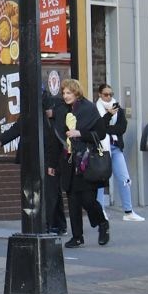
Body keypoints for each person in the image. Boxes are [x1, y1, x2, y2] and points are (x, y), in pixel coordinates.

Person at [0, 88, 67, 235]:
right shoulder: (31, 112)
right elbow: (18, 128)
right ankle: (57, 224)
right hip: (39, 155)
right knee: (51, 191)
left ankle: (49, 224)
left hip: (50, 155)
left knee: (50, 191)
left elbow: (59, 130)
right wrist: (1, 140)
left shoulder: (54, 107)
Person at [57, 78, 111, 247]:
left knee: (88, 199)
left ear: (76, 92)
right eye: (64, 93)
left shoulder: (88, 108)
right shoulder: (62, 110)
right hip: (69, 159)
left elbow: (101, 133)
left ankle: (102, 223)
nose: (66, 96)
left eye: (69, 92)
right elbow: (58, 133)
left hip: (86, 159)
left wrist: (80, 132)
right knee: (73, 200)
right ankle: (77, 236)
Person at [95, 83, 144, 222]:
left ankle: (128, 211)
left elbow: (122, 128)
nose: (109, 97)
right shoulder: (96, 109)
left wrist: (108, 128)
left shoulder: (118, 109)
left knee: (124, 178)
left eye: (111, 94)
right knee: (100, 180)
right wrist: (108, 117)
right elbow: (98, 127)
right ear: (99, 95)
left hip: (116, 148)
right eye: (105, 94)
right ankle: (100, 211)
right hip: (101, 149)